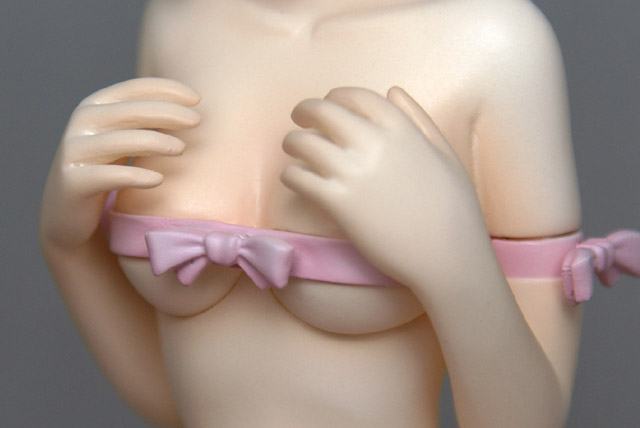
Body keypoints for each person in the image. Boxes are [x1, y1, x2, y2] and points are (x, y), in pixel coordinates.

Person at [40, 0, 596, 426]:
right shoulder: (181, 18)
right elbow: (169, 401)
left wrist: (456, 261)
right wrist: (67, 244)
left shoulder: (495, 41)